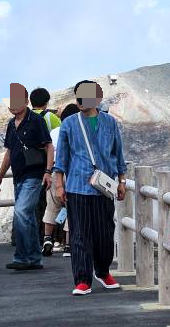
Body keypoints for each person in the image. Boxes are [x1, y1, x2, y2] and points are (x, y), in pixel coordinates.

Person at [53, 80, 127, 296]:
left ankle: (103, 271)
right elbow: (62, 158)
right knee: (80, 234)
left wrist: (122, 180)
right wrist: (59, 184)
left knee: (105, 232)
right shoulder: (69, 124)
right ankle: (83, 278)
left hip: (104, 187)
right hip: (77, 185)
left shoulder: (110, 122)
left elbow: (118, 153)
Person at [0, 84, 53, 271]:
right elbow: (9, 152)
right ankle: (34, 258)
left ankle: (22, 257)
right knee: (27, 216)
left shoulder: (36, 120)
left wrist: (48, 171)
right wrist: (0, 176)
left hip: (34, 175)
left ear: (26, 102)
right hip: (18, 176)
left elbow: (48, 146)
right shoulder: (11, 125)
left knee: (20, 212)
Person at [42, 103, 79, 256]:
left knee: (51, 207)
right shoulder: (77, 131)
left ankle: (47, 240)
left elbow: (48, 151)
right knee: (72, 208)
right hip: (72, 173)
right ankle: (69, 245)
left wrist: (48, 171)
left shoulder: (55, 132)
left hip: (55, 172)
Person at [30, 87, 61, 253]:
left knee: (33, 202)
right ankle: (50, 238)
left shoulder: (26, 117)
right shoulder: (52, 118)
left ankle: (32, 237)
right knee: (50, 203)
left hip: (31, 165)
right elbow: (59, 137)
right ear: (47, 101)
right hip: (49, 166)